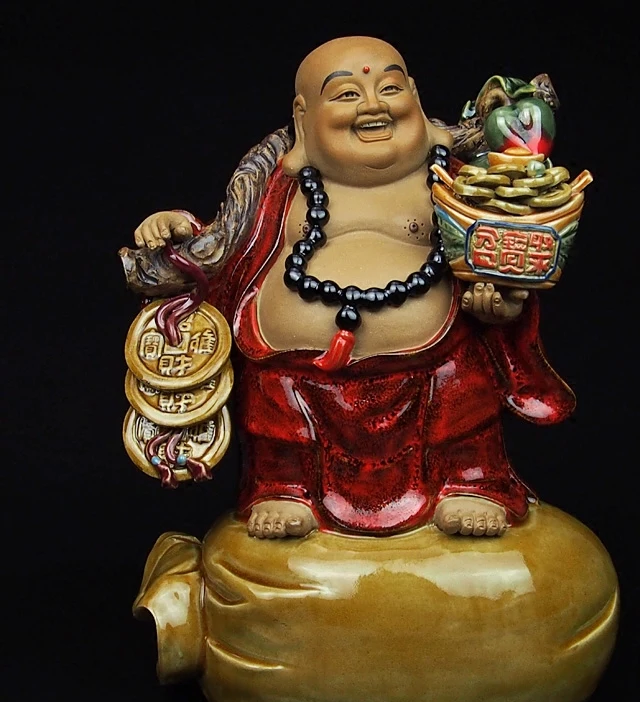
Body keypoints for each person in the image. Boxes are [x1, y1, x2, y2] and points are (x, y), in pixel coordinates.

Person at [125, 36, 575, 539]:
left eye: (390, 87)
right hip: (295, 370)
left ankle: (468, 481)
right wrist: (179, 235)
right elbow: (223, 247)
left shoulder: (455, 183)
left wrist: (498, 303)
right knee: (273, 401)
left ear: (416, 97)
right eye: (346, 94)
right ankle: (284, 487)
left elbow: (502, 260)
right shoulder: (277, 189)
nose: (373, 105)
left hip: (430, 362)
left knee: (461, 386)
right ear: (303, 118)